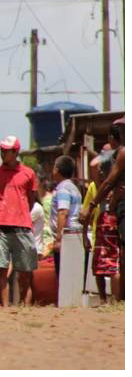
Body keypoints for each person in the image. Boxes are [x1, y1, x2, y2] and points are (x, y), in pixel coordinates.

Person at [0, 136, 38, 306]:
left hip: (22, 226)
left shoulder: (28, 173)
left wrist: (21, 213)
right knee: (2, 269)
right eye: (1, 150)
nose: (2, 153)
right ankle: (5, 307)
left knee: (26, 269)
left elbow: (31, 199)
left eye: (6, 150)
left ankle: (24, 305)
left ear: (16, 152)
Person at [81, 122, 125, 300]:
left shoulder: (123, 153)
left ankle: (122, 298)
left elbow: (108, 183)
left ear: (113, 138)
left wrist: (91, 206)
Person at [50, 155, 84, 307]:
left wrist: (58, 239)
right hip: (76, 234)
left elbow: (63, 212)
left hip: (67, 235)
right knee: (74, 272)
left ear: (57, 169)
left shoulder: (63, 189)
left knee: (63, 272)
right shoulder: (74, 187)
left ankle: (65, 304)